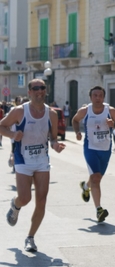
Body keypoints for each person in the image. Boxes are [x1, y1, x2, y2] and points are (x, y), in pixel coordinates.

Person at [0, 79, 66, 252]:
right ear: (29, 92)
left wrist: (56, 146)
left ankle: (30, 237)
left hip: (42, 160)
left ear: (46, 91)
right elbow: (1, 127)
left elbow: (52, 138)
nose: (40, 91)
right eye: (36, 88)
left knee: (42, 201)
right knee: (25, 198)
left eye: (42, 88)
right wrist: (13, 135)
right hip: (23, 159)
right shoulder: (19, 111)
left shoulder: (52, 114)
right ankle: (15, 206)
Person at [72, 86, 115, 222]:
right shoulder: (85, 110)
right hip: (90, 148)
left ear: (103, 97)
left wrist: (113, 124)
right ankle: (99, 210)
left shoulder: (110, 111)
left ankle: (85, 187)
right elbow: (75, 120)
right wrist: (77, 132)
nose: (97, 98)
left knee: (97, 178)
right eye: (95, 95)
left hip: (105, 149)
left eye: (100, 95)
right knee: (96, 178)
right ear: (90, 98)